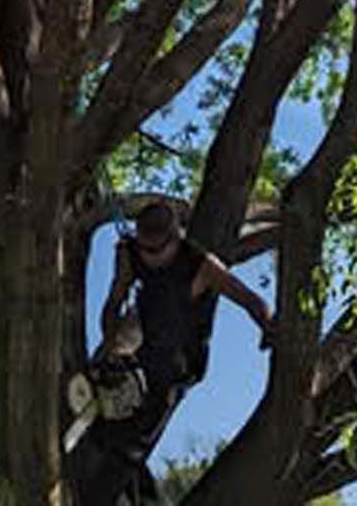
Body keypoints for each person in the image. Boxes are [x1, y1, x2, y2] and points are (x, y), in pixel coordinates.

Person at [75, 200, 274, 503]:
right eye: (144, 249)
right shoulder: (131, 254)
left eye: (156, 251)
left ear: (175, 241)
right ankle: (142, 497)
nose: (149, 257)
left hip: (181, 364)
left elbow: (251, 300)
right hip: (147, 352)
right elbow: (114, 302)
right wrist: (111, 348)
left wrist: (268, 326)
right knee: (107, 429)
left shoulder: (201, 265)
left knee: (136, 439)